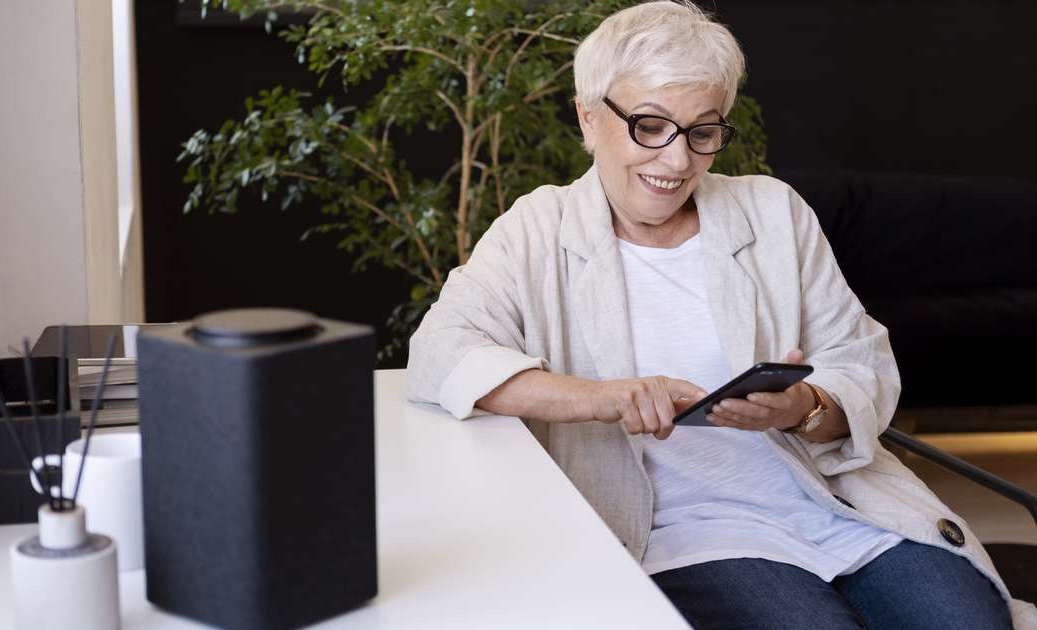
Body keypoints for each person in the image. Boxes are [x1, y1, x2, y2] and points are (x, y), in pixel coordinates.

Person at [404, 2, 1035, 628]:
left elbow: (861, 359)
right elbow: (438, 354)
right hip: (687, 531)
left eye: (703, 132)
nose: (677, 162)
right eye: (649, 126)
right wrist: (600, 397)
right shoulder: (536, 230)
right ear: (588, 119)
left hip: (833, 503)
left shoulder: (773, 213)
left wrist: (806, 406)